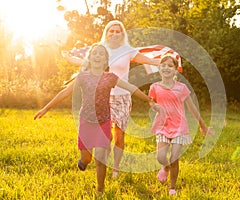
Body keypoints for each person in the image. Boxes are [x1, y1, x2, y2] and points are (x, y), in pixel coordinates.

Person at [34, 44, 157, 193]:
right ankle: (84, 161)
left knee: (100, 157)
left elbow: (131, 88)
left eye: (101, 54)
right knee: (87, 158)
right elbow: (65, 92)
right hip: (86, 121)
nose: (98, 56)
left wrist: (148, 100)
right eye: (95, 54)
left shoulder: (110, 77)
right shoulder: (83, 76)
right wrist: (46, 108)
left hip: (103, 121)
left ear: (106, 60)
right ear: (89, 58)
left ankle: (100, 190)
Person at [62, 20, 160, 178]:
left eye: (117, 31)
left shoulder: (128, 50)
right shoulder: (102, 49)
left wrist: (162, 62)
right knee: (105, 135)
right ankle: (103, 162)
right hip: (103, 97)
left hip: (123, 98)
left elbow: (147, 60)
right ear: (106, 33)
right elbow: (89, 62)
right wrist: (72, 60)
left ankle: (116, 168)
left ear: (122, 34)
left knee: (119, 135)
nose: (114, 33)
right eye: (111, 31)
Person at [148, 54, 214, 195]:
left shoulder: (182, 88)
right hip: (162, 125)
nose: (166, 68)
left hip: (178, 126)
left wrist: (203, 126)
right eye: (163, 65)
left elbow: (192, 108)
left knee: (174, 158)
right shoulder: (154, 87)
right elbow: (151, 101)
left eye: (170, 65)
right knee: (160, 157)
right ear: (159, 68)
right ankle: (165, 168)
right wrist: (155, 107)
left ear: (176, 70)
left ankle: (172, 187)